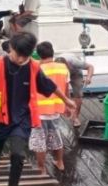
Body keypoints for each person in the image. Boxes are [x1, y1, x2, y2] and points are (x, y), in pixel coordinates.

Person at [0, 32, 72, 186]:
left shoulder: (34, 67)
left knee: (18, 155)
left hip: (22, 118)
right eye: (17, 54)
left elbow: (50, 86)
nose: (21, 59)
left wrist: (66, 100)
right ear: (10, 48)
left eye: (25, 56)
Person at [31, 42, 75, 175]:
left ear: (39, 55)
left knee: (40, 140)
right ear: (52, 52)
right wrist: (68, 105)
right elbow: (66, 89)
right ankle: (59, 162)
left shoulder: (36, 68)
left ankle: (41, 168)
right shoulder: (63, 67)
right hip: (56, 110)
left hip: (39, 111)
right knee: (55, 135)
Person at [55, 54, 94, 128]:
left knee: (78, 94)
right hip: (62, 75)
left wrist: (89, 77)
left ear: (67, 65)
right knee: (60, 92)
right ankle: (60, 114)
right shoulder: (54, 65)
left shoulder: (74, 62)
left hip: (75, 74)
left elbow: (90, 66)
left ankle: (75, 117)